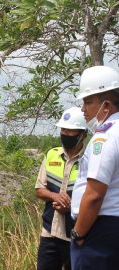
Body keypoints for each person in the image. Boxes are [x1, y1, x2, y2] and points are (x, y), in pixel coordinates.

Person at [71, 65, 119, 270]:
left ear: (106, 105)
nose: (83, 109)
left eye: (88, 102)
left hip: (99, 230)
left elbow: (94, 195)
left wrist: (79, 234)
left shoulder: (105, 136)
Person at [35, 107, 87, 270]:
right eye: (63, 129)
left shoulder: (90, 160)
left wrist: (71, 208)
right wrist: (54, 196)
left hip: (76, 235)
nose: (65, 134)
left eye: (70, 131)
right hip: (49, 232)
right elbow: (39, 189)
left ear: (82, 134)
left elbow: (97, 199)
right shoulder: (52, 155)